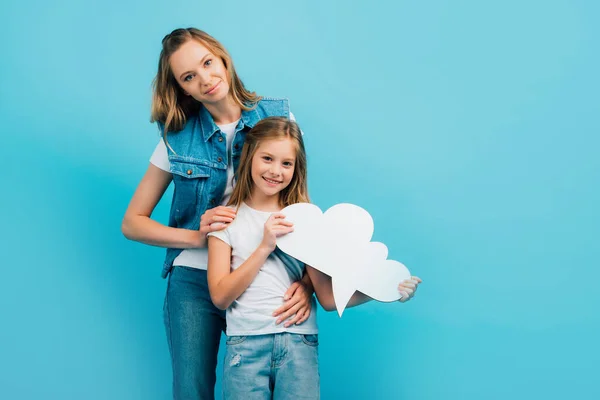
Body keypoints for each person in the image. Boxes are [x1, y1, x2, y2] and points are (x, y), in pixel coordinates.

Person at [121, 28, 313, 400]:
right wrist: (198, 237)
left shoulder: (276, 115)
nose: (205, 79)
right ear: (182, 89)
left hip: (264, 274)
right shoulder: (176, 138)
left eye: (207, 63)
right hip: (194, 281)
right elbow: (132, 223)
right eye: (188, 77)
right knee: (192, 391)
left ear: (223, 58)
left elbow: (298, 202)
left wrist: (307, 281)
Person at [207, 117, 422, 400]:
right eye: (267, 158)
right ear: (249, 157)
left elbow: (330, 299)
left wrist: (388, 290)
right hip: (245, 344)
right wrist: (264, 247)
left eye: (286, 163)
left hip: (299, 344)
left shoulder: (306, 220)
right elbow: (220, 297)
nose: (275, 171)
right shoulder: (226, 220)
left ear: (297, 169)